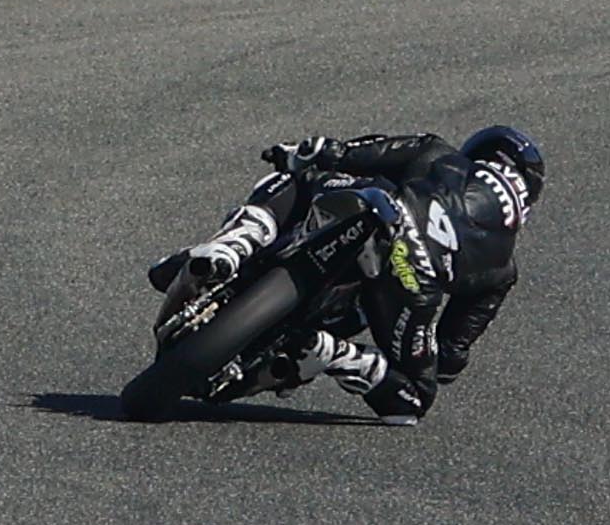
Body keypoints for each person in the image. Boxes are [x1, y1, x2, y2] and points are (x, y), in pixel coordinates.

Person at [147, 126, 544, 426]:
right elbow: (452, 357)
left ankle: (235, 245)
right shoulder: (502, 269)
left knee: (298, 180)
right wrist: (425, 348)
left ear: (482, 152)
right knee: (415, 399)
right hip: (414, 277)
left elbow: (345, 153)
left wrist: (302, 155)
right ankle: (335, 354)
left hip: (386, 210)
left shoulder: (441, 154)